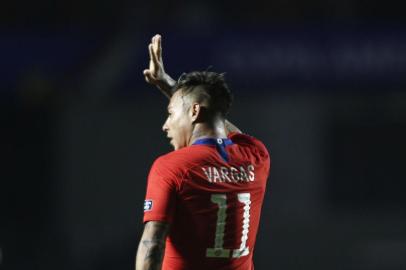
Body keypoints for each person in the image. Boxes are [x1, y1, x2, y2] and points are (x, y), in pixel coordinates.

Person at [135, 34, 271, 270]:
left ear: (195, 111)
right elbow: (222, 126)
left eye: (171, 113)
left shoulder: (172, 167)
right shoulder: (256, 157)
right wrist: (173, 89)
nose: (166, 125)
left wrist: (173, 89)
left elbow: (152, 242)